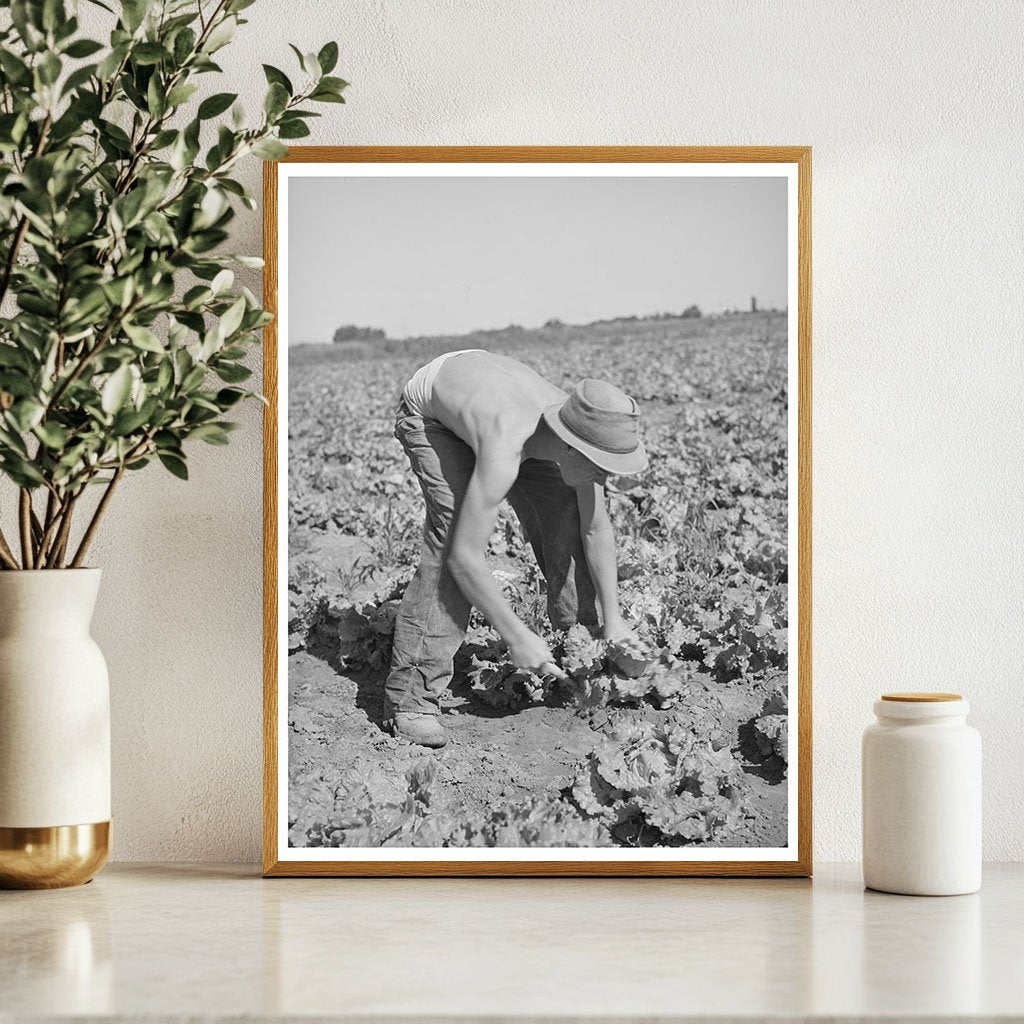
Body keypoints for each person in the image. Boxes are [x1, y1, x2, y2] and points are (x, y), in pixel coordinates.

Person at [383, 349, 648, 748]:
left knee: (568, 517)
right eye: (601, 467)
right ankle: (411, 698)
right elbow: (465, 557)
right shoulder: (508, 437)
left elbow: (596, 530)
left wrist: (615, 619)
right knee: (453, 532)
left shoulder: (585, 431)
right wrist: (515, 635)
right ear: (572, 448)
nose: (605, 477)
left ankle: (584, 659)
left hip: (507, 406)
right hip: (434, 414)